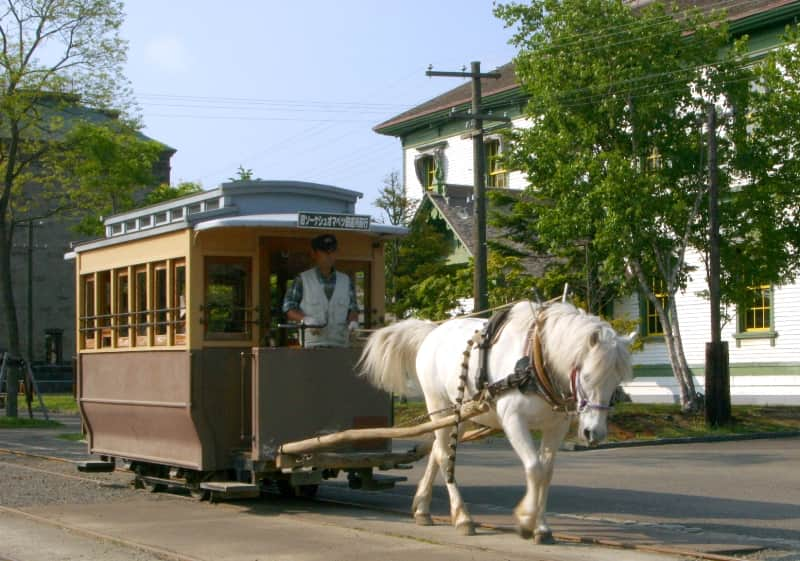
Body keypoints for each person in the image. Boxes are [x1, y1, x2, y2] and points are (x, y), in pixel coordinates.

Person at [283, 234, 359, 347]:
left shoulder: (346, 280)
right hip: (311, 346)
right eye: (324, 251)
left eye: (332, 251)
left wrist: (353, 322)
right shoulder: (302, 279)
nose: (329, 255)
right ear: (314, 254)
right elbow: (288, 308)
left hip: (340, 345)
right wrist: (305, 319)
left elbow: (353, 308)